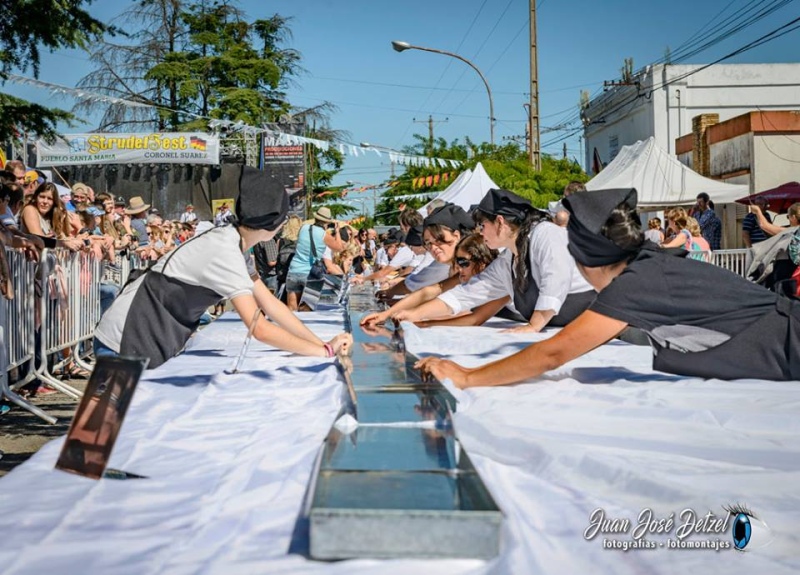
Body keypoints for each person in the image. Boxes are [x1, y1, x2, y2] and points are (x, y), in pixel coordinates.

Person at [417, 187, 800, 387]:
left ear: (587, 256)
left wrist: (467, 376)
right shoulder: (646, 266)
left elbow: (555, 353)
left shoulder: (635, 283)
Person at [93, 167, 352, 368]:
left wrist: (320, 344)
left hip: (142, 334)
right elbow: (258, 327)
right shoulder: (225, 251)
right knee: (105, 430)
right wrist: (323, 351)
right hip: (126, 338)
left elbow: (271, 305)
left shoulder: (235, 243)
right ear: (272, 225)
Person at [399, 189, 596, 333]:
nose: (481, 231)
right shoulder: (508, 259)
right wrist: (414, 315)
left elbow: (556, 280)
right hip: (561, 331)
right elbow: (465, 294)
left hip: (597, 329)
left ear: (500, 222)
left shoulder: (546, 233)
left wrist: (533, 326)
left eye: (483, 225)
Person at [361, 232, 498, 327]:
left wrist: (422, 321)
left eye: (463, 263)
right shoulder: (464, 275)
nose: (459, 268)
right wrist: (387, 314)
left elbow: (474, 318)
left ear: (482, 264)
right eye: (457, 262)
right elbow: (430, 292)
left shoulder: (497, 279)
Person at [284, 206, 346, 311]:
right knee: (307, 309)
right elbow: (339, 248)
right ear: (327, 222)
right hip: (310, 273)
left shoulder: (303, 228)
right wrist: (337, 231)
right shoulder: (323, 235)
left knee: (291, 306)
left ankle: (289, 326)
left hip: (294, 269)